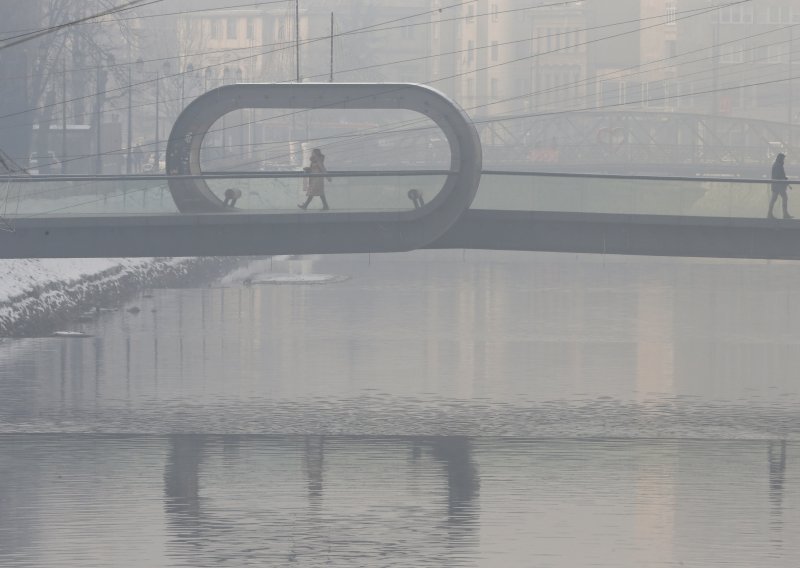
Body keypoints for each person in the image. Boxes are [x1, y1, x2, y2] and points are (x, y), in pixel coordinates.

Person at [768, 153, 792, 219]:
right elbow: (779, 176)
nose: (783, 160)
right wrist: (785, 180)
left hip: (776, 185)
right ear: (780, 158)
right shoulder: (778, 165)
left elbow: (779, 176)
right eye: (783, 158)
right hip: (778, 185)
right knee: (784, 198)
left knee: (774, 199)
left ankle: (770, 214)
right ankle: (785, 214)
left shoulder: (777, 165)